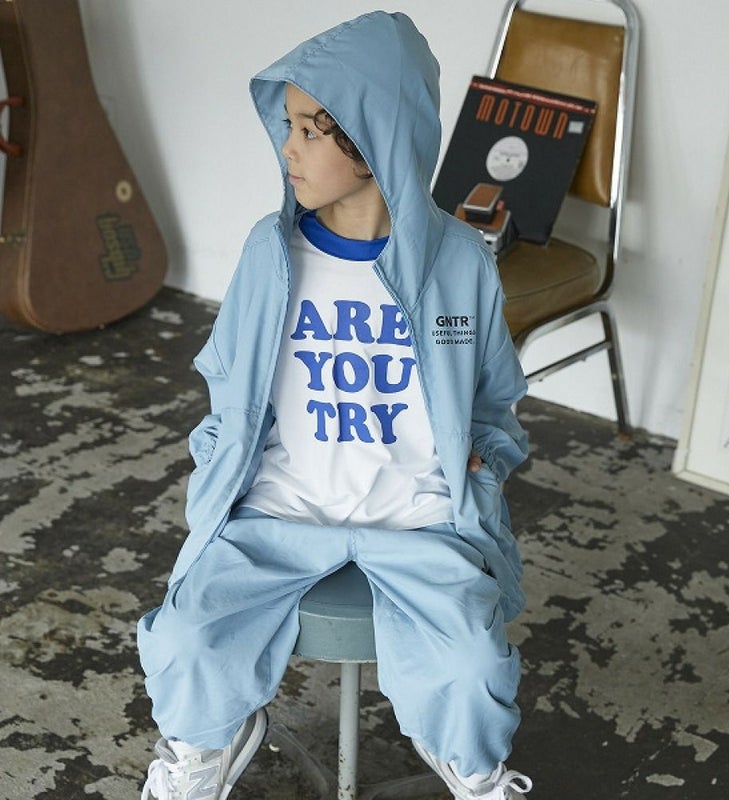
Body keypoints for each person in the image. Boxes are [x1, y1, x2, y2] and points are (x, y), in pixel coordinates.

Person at [138, 11, 533, 800]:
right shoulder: (270, 251)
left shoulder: (460, 262)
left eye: (311, 131)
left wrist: (484, 458)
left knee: (472, 665)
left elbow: (496, 392)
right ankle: (203, 748)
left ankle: (472, 766)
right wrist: (220, 458)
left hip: (419, 522)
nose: (288, 148)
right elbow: (227, 376)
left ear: (375, 136)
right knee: (186, 638)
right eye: (288, 126)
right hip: (280, 513)